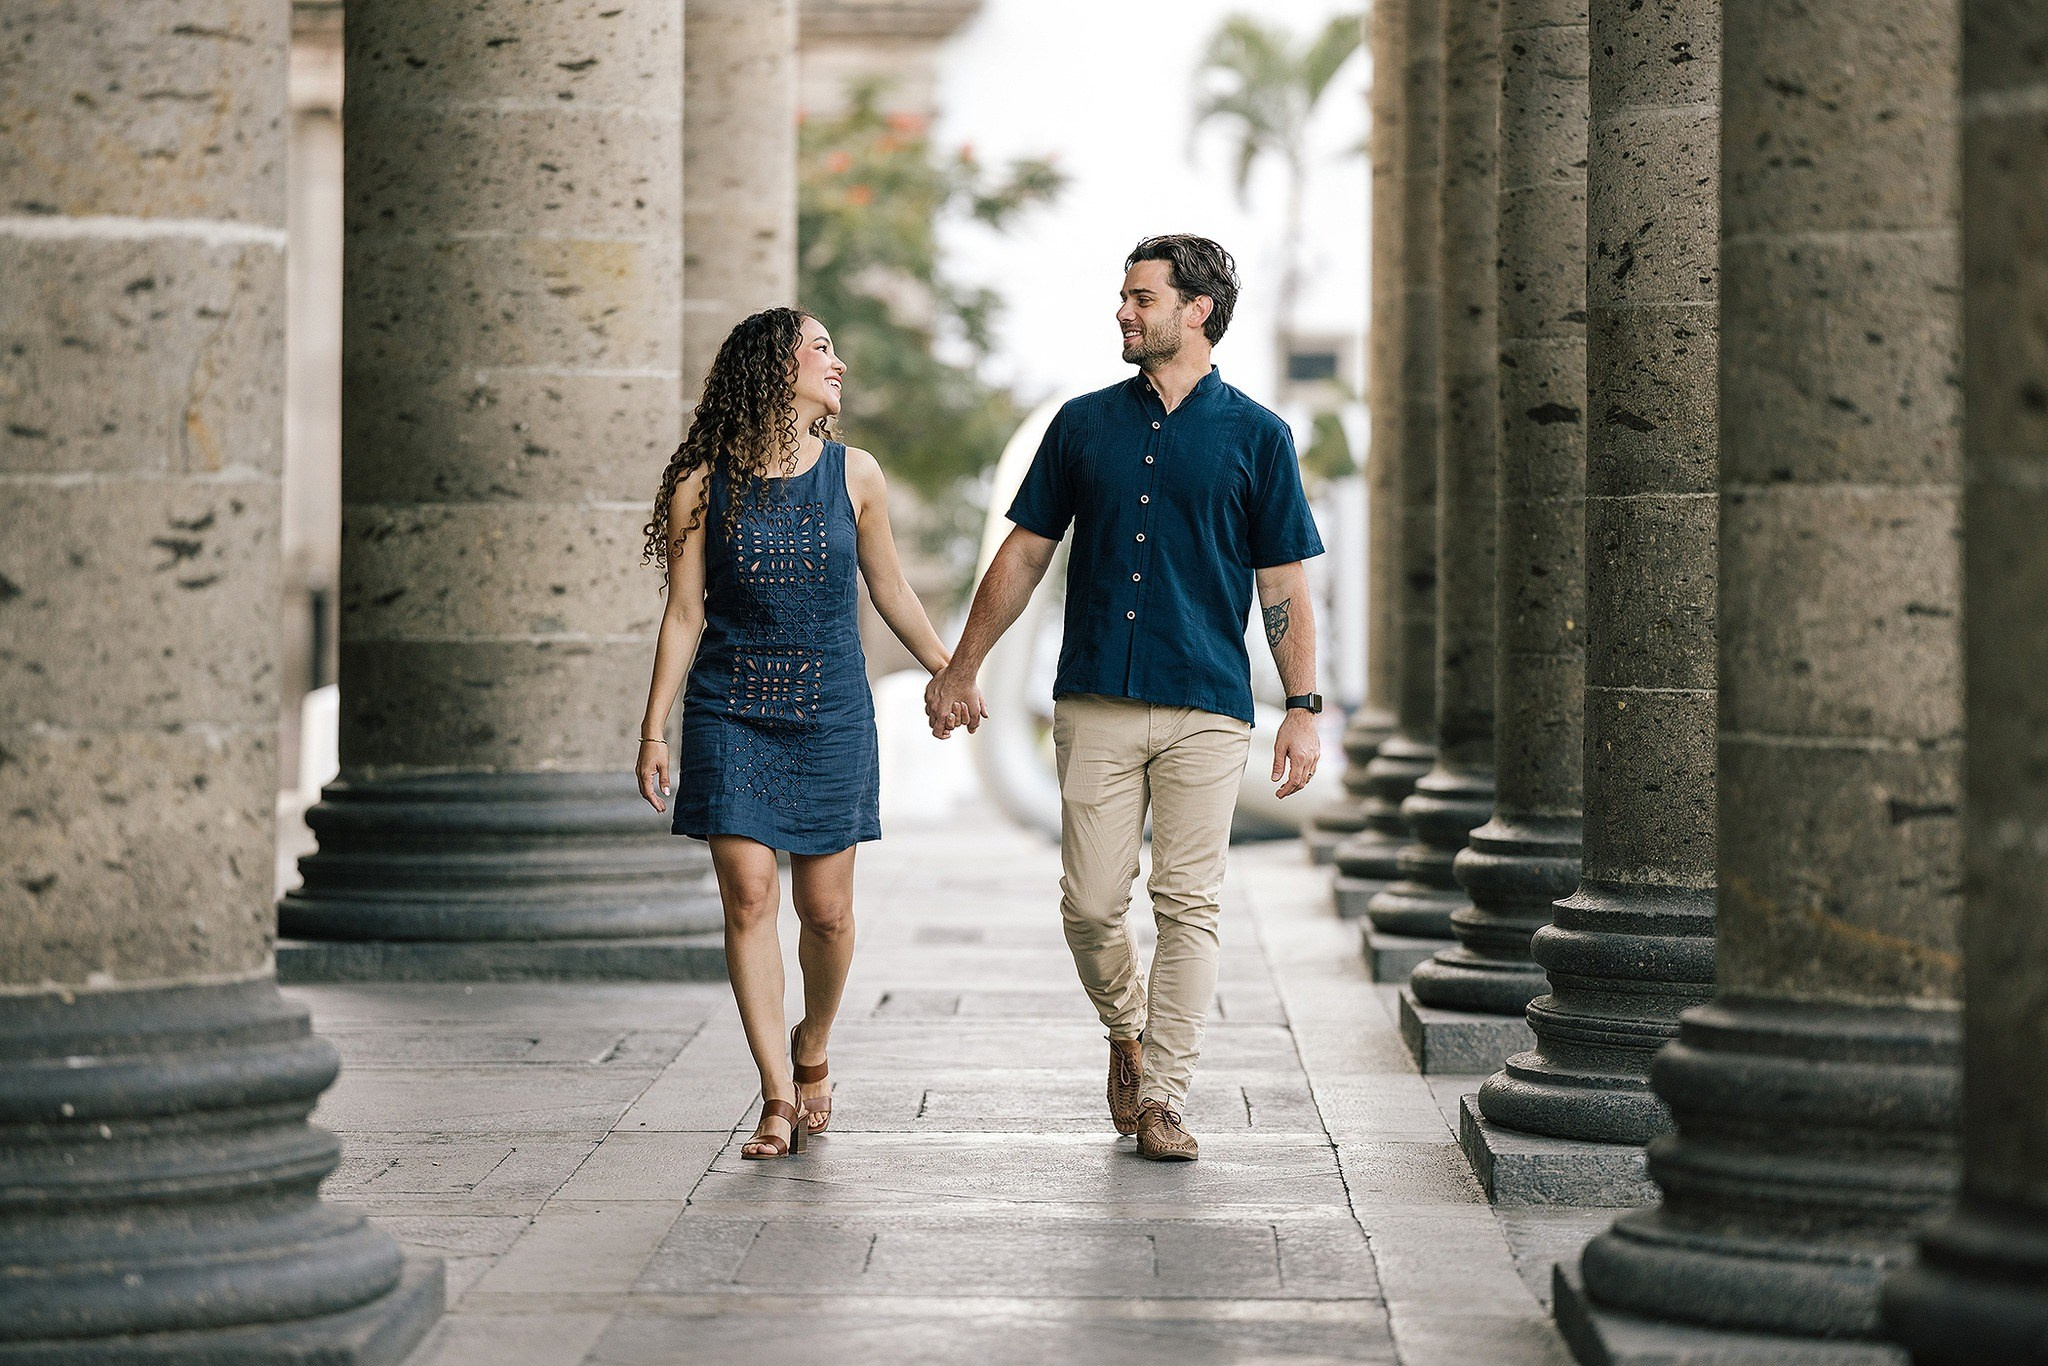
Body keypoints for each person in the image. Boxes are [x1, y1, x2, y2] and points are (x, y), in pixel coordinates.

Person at [925, 235, 1325, 1161]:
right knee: (1094, 905)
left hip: (1207, 706)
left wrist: (1302, 704)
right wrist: (962, 666)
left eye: (1142, 297)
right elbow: (1025, 553)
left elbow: (1283, 585)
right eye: (1122, 296)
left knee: (1190, 904)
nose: (1123, 311)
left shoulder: (1259, 436)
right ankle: (1126, 1030)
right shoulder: (1081, 426)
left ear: (1198, 311)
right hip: (1096, 694)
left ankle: (1163, 1097)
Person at [636, 307, 967, 1160]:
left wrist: (947, 667)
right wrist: (655, 731)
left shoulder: (857, 474)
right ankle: (776, 1096)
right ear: (771, 367)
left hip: (828, 711)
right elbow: (682, 615)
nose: (839, 362)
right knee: (750, 897)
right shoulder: (701, 486)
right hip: (730, 707)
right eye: (821, 347)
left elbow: (890, 589)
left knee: (827, 912)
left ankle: (812, 1041)